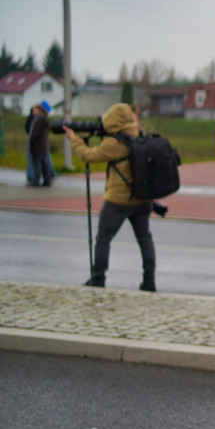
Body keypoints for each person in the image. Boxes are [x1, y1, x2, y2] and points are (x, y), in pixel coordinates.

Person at [63, 102, 157, 291]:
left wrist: (73, 138)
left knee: (103, 239)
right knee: (145, 239)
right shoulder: (140, 136)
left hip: (118, 200)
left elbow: (88, 155)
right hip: (142, 199)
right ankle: (149, 280)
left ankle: (98, 278)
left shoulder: (116, 143)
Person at [26, 104, 52, 187]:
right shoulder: (42, 119)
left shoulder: (39, 120)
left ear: (39, 110)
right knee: (44, 164)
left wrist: (31, 142)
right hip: (42, 145)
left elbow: (35, 133)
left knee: (37, 164)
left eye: (34, 110)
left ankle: (36, 180)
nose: (33, 112)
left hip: (37, 146)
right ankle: (47, 180)